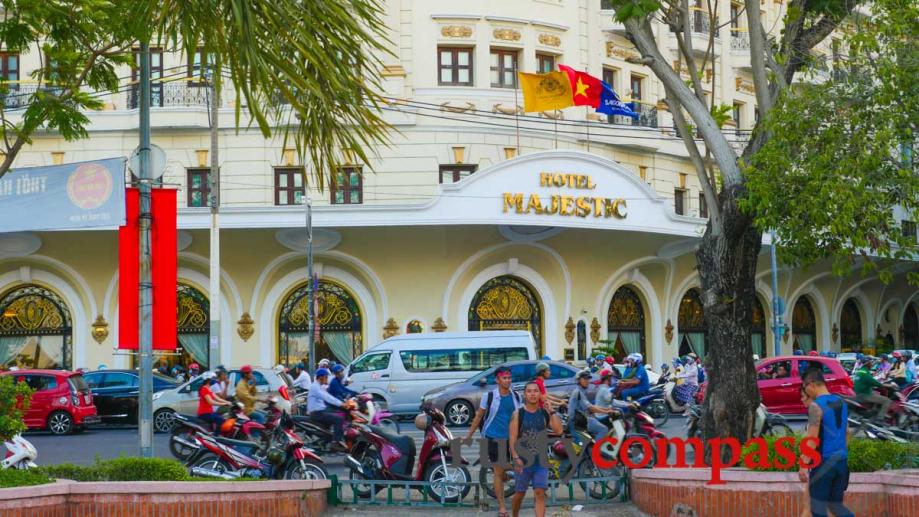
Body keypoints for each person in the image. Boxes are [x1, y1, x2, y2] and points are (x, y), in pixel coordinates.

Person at [464, 366, 521, 517]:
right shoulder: (489, 396)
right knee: (498, 471)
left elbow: (519, 417)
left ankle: (505, 475)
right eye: (504, 378)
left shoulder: (516, 396)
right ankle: (502, 507)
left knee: (510, 468)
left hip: (512, 439)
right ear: (497, 380)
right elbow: (478, 416)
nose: (507, 380)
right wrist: (469, 435)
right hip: (493, 437)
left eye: (509, 378)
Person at [800, 368, 854, 517]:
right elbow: (847, 432)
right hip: (841, 462)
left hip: (823, 463)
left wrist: (804, 466)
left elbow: (811, 439)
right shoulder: (841, 402)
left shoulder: (815, 406)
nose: (805, 391)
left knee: (817, 509)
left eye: (804, 387)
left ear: (810, 384)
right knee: (836, 507)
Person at [509, 382, 563, 517]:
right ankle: (514, 514)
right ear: (525, 395)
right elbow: (512, 438)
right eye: (529, 391)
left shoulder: (544, 413)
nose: (532, 394)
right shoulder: (518, 414)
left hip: (541, 462)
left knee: (539, 493)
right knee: (519, 494)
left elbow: (559, 431)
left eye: (535, 391)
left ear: (540, 394)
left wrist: (551, 411)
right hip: (523, 461)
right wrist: (515, 457)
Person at [306, 368, 348, 451]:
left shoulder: (318, 386)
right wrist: (341, 404)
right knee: (338, 419)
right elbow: (327, 397)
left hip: (321, 411)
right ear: (321, 377)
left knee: (338, 413)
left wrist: (342, 402)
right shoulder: (315, 387)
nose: (327, 379)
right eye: (326, 377)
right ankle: (336, 442)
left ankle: (326, 441)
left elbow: (328, 395)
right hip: (317, 413)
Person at [567, 370, 613, 440]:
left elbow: (590, 405)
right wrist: (606, 412)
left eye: (588, 379)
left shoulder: (581, 391)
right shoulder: (578, 392)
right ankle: (596, 449)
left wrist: (607, 409)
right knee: (604, 429)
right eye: (585, 379)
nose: (587, 381)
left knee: (597, 422)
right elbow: (590, 408)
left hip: (582, 418)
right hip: (577, 422)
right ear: (578, 380)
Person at [853, 357, 892, 422]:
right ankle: (880, 419)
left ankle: (874, 410)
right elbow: (873, 382)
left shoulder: (859, 371)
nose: (872, 364)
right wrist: (883, 386)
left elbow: (869, 381)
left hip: (859, 393)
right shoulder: (865, 373)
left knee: (876, 393)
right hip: (865, 394)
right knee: (887, 401)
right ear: (867, 364)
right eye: (871, 363)